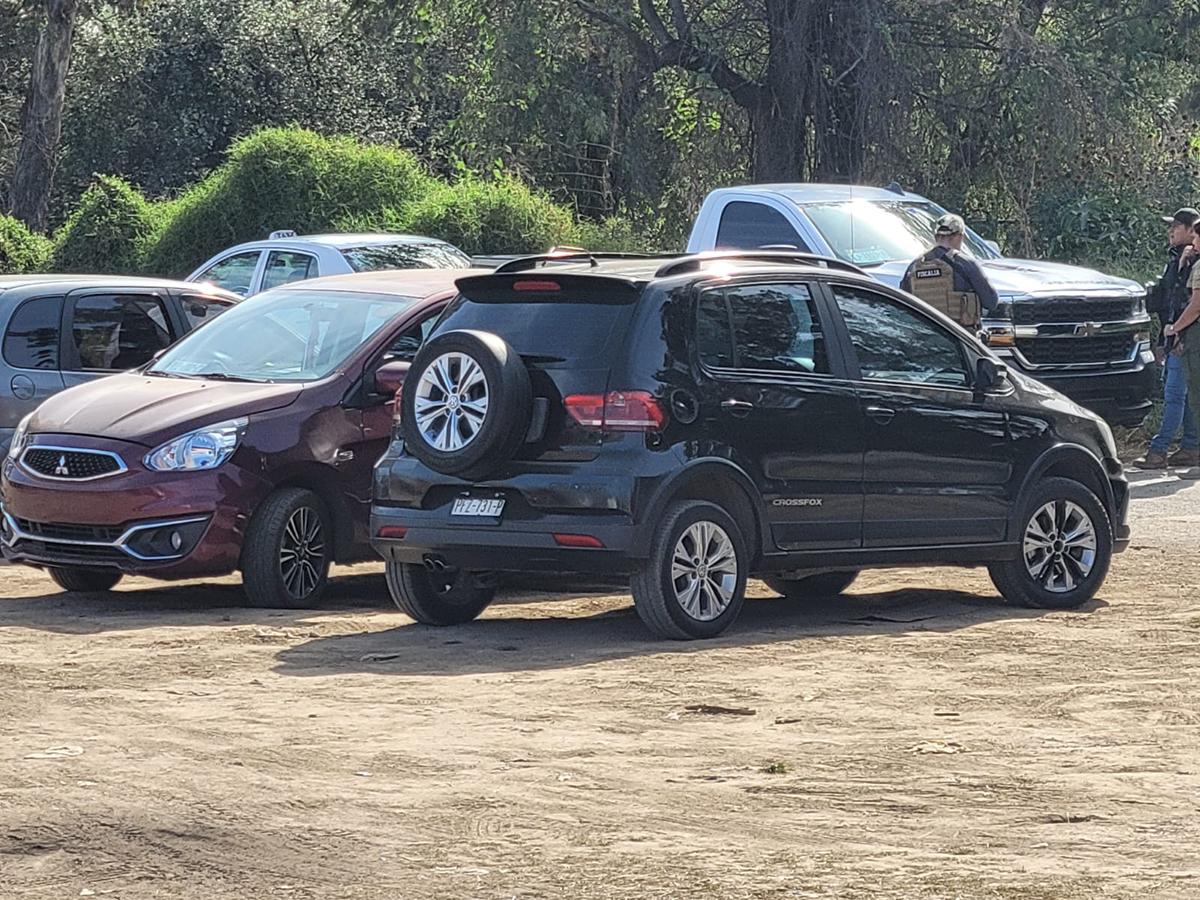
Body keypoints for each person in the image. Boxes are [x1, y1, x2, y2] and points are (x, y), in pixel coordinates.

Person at [1133, 207, 1200, 469]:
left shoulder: (1193, 262)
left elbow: (1190, 304)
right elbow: (1169, 302)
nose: (1170, 231)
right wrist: (1164, 339)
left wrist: (1178, 335)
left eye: (1176, 226)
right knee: (1183, 396)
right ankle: (1191, 447)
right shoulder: (1178, 258)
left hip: (1185, 337)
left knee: (1174, 394)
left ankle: (1158, 451)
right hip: (1175, 334)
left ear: (1191, 229)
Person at [901, 213, 999, 328]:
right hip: (960, 337)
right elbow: (991, 302)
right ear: (959, 236)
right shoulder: (966, 264)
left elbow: (903, 305)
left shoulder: (915, 265)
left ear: (936, 237)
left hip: (924, 336)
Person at [1163, 219, 1200, 480]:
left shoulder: (1197, 267)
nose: (1194, 242)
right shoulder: (1187, 262)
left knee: (1191, 394)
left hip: (1193, 337)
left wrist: (1175, 329)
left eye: (1197, 237)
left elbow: (1194, 305)